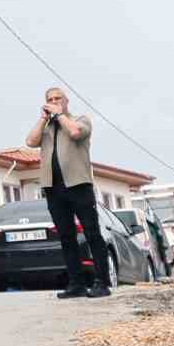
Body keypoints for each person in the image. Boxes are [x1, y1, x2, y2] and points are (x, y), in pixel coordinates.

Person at [26, 88, 112, 298]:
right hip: (53, 188)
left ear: (66, 101)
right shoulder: (47, 128)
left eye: (58, 98)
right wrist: (43, 119)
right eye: (50, 99)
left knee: (92, 233)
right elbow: (30, 141)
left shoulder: (80, 120)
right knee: (66, 236)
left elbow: (74, 132)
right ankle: (76, 284)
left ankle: (102, 283)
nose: (53, 101)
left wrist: (59, 115)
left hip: (78, 185)